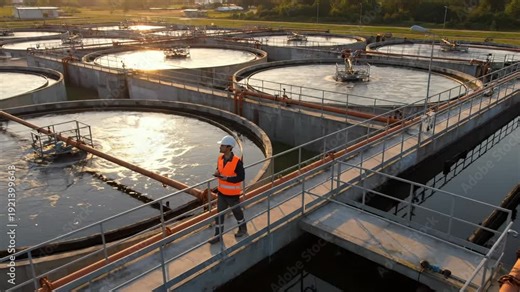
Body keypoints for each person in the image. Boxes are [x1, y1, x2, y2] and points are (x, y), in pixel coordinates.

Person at [209, 135, 247, 244]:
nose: (220, 147)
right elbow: (219, 168)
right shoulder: (220, 158)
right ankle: (218, 235)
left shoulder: (237, 162)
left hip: (232, 195)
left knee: (237, 213)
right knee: (219, 215)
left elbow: (241, 177)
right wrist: (217, 172)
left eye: (222, 145)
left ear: (229, 147)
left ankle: (243, 229)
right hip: (221, 193)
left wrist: (227, 179)